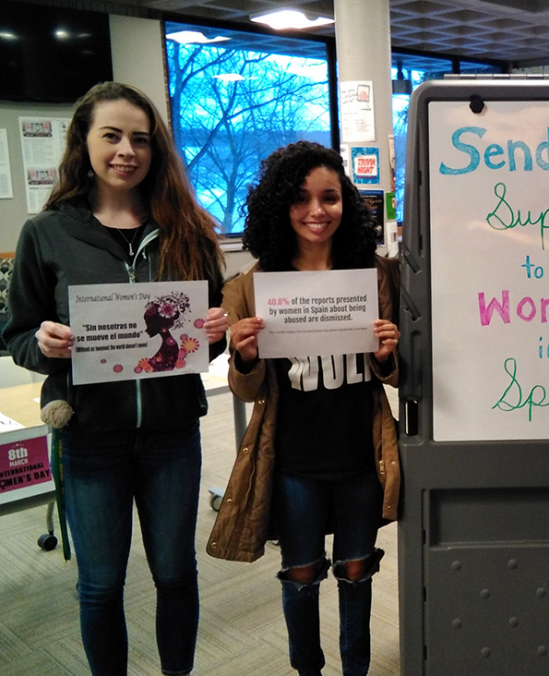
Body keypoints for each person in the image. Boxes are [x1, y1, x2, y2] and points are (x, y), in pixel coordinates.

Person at [1, 82, 227, 676]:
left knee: (176, 575)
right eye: (112, 135)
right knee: (100, 585)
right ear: (84, 142)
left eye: (141, 139)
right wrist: (44, 345)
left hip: (173, 434)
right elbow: (18, 333)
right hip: (89, 438)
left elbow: (212, 324)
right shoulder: (46, 233)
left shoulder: (187, 228)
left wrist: (217, 330)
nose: (127, 150)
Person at [206, 141, 401, 676]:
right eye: (301, 199)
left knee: (358, 572)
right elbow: (246, 392)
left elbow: (400, 374)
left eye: (331, 197)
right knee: (300, 574)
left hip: (362, 455)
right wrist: (244, 356)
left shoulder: (376, 275)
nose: (317, 211)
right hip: (292, 462)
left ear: (348, 203)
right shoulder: (250, 286)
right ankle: (307, 670)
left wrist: (388, 354)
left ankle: (356, 669)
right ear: (278, 206)